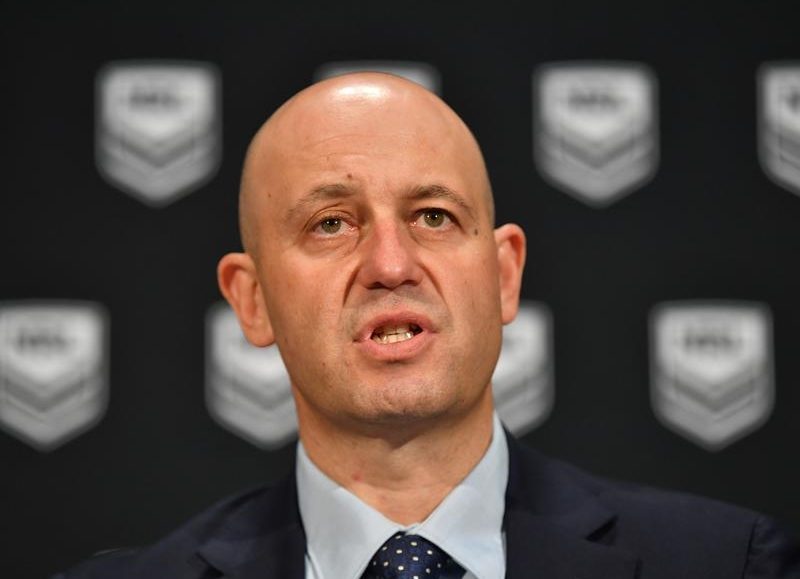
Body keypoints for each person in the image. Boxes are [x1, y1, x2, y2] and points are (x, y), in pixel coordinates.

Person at [56, 73, 799, 579]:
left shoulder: (730, 563)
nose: (391, 264)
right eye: (331, 223)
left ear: (503, 274)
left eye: (434, 216)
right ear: (251, 300)